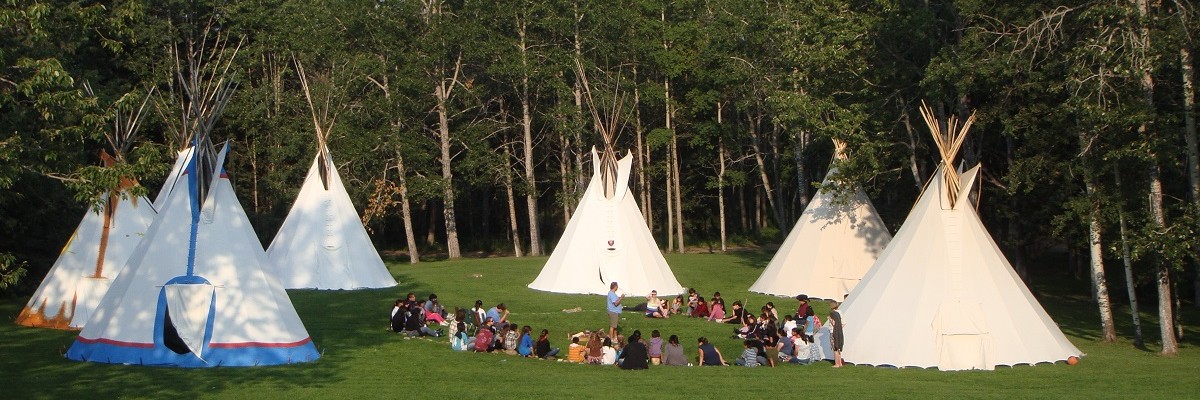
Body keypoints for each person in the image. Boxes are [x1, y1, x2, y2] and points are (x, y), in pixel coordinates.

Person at [829, 300, 845, 368]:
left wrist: (830, 319)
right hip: (839, 332)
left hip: (833, 332)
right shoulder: (840, 312)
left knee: (835, 348)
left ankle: (837, 364)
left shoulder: (833, 313)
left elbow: (834, 324)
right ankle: (840, 363)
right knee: (838, 347)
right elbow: (843, 323)